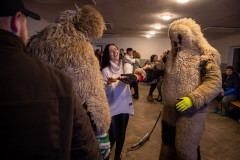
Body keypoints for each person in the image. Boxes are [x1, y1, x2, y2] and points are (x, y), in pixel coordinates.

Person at [0, 0, 101, 159]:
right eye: (25, 22)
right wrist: (102, 127)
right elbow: (87, 150)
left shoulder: (37, 41)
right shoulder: (58, 81)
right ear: (15, 22)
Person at [27, 5, 111, 159]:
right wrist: (101, 132)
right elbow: (92, 95)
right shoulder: (81, 49)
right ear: (90, 27)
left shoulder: (37, 41)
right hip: (76, 124)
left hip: (43, 121)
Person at [135, 18, 222, 160]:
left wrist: (193, 99)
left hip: (192, 113)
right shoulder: (169, 55)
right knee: (167, 147)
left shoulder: (205, 56)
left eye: (179, 39)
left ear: (190, 36)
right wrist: (139, 76)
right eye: (172, 39)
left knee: (186, 150)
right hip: (169, 111)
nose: (176, 43)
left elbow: (214, 82)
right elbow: (156, 69)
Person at [101, 44, 134, 160]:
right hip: (112, 106)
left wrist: (123, 77)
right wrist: (109, 84)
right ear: (108, 55)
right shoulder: (105, 71)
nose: (114, 52)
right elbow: (105, 93)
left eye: (115, 49)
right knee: (113, 135)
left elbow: (130, 78)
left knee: (122, 134)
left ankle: (117, 156)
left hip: (124, 104)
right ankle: (106, 155)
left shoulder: (125, 67)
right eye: (111, 51)